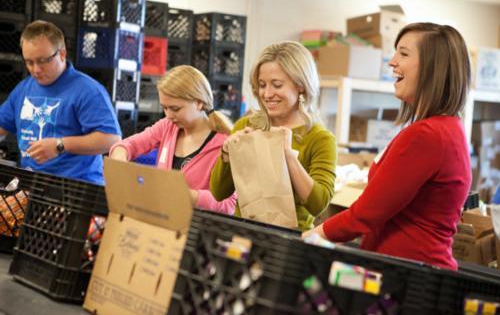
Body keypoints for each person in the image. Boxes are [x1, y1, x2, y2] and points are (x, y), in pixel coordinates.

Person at [304, 23, 472, 270]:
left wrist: (314, 235)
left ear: (433, 67)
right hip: (410, 270)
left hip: (408, 276)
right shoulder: (445, 129)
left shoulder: (427, 135)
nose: (392, 62)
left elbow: (367, 213)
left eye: (403, 54)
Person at [210, 41, 337, 231]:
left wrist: (288, 155)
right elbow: (219, 192)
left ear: (301, 85)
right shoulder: (247, 126)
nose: (267, 94)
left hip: (288, 242)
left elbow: (318, 204)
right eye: (262, 85)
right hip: (242, 233)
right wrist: (227, 156)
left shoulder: (320, 138)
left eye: (277, 85)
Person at [0, 20, 121, 184]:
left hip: (76, 188)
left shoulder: (88, 91)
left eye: (43, 60)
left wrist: (60, 145)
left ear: (62, 54)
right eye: (29, 62)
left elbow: (111, 139)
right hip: (32, 184)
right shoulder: (23, 89)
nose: (36, 69)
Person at [109, 65, 237, 214]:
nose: (168, 115)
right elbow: (127, 145)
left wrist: (182, 195)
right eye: (165, 108)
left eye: (175, 109)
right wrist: (120, 161)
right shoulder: (167, 127)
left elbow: (228, 205)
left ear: (199, 102)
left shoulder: (224, 145)